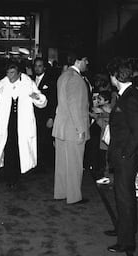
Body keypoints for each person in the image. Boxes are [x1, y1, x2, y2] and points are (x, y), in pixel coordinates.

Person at [0, 63, 47, 189]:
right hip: (7, 121)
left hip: (23, 122)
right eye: (7, 73)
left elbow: (42, 102)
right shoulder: (2, 83)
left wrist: (37, 97)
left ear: (19, 73)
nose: (9, 76)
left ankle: (17, 176)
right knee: (9, 148)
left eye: (12, 73)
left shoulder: (28, 83)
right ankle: (10, 177)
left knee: (20, 148)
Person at [105, 58, 138, 255]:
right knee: (123, 197)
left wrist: (124, 154)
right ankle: (124, 230)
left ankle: (127, 242)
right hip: (123, 156)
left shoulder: (131, 97)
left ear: (115, 77)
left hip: (125, 158)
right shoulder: (127, 94)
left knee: (125, 199)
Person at [52, 53, 90, 204]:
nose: (87, 63)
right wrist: (81, 129)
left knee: (61, 164)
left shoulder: (63, 76)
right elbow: (75, 106)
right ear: (78, 60)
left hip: (61, 127)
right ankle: (74, 197)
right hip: (73, 128)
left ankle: (61, 192)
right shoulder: (76, 79)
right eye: (86, 60)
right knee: (75, 165)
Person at [32, 57, 57, 171]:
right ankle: (36, 163)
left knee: (46, 141)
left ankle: (47, 166)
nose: (37, 68)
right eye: (36, 66)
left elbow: (53, 101)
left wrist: (51, 117)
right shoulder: (31, 81)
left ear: (44, 67)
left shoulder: (51, 81)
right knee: (36, 140)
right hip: (33, 117)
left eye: (40, 66)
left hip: (46, 116)